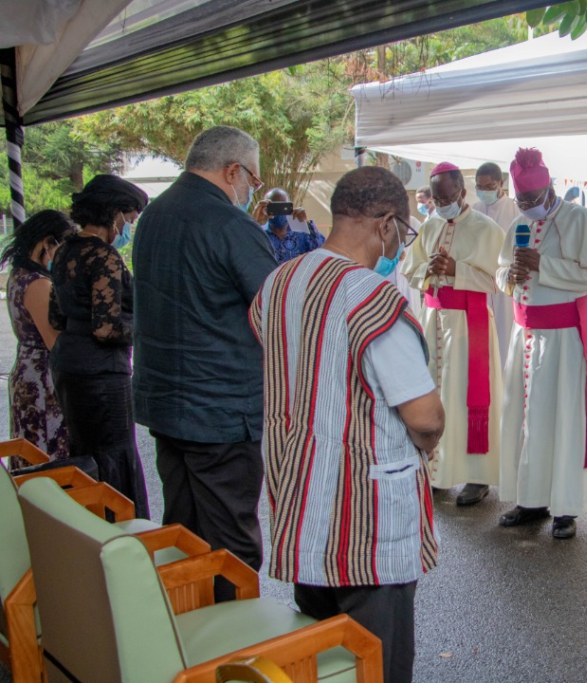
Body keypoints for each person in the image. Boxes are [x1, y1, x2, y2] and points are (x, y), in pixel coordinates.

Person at [250, 166, 443, 683]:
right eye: (403, 232)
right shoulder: (373, 299)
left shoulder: (279, 282)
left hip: (303, 502)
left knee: (323, 660)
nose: (400, 243)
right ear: (385, 224)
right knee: (375, 663)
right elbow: (424, 415)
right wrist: (429, 442)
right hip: (367, 523)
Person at [132, 125, 278, 599]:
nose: (252, 190)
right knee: (232, 542)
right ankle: (233, 637)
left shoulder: (153, 214)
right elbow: (274, 310)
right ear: (233, 170)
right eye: (253, 179)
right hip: (220, 407)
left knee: (184, 529)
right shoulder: (230, 225)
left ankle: (188, 627)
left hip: (165, 401)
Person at [495, 147, 587, 539]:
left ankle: (565, 508)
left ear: (550, 190)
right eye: (521, 201)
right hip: (524, 337)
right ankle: (530, 500)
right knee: (525, 419)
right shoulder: (517, 225)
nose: (528, 206)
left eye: (533, 199)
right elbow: (500, 271)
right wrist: (509, 275)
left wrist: (543, 265)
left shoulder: (581, 220)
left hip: (564, 340)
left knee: (563, 419)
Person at [402, 162, 505, 506]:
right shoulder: (430, 225)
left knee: (466, 396)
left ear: (461, 190)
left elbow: (497, 280)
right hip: (432, 319)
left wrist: (457, 270)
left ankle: (477, 476)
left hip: (467, 325)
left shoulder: (486, 229)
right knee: (434, 394)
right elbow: (409, 269)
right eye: (436, 198)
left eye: (446, 197)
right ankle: (438, 471)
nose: (441, 204)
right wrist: (427, 269)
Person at [49, 175, 150, 517]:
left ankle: (87, 528)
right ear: (114, 213)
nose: (128, 226)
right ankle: (120, 529)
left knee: (85, 454)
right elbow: (106, 328)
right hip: (102, 373)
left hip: (68, 363)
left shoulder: (64, 250)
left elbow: (55, 316)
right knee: (113, 455)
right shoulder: (104, 255)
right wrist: (145, 328)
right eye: (129, 218)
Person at [2, 210, 74, 468]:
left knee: (30, 450)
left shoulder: (18, 275)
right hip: (42, 379)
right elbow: (53, 341)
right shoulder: (38, 284)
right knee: (46, 454)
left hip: (27, 370)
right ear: (47, 243)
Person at [472, 161, 518, 368]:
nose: (484, 191)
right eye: (479, 187)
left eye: (489, 187)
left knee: (504, 336)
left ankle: (505, 380)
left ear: (501, 183)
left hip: (505, 286)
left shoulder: (515, 211)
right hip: (479, 283)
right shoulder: (474, 210)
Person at [253, 187, 326, 263]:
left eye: (283, 207)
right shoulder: (259, 235)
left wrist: (306, 223)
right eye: (274, 207)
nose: (279, 211)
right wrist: (253, 220)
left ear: (291, 207)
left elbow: (322, 254)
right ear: (265, 209)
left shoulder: (303, 235)